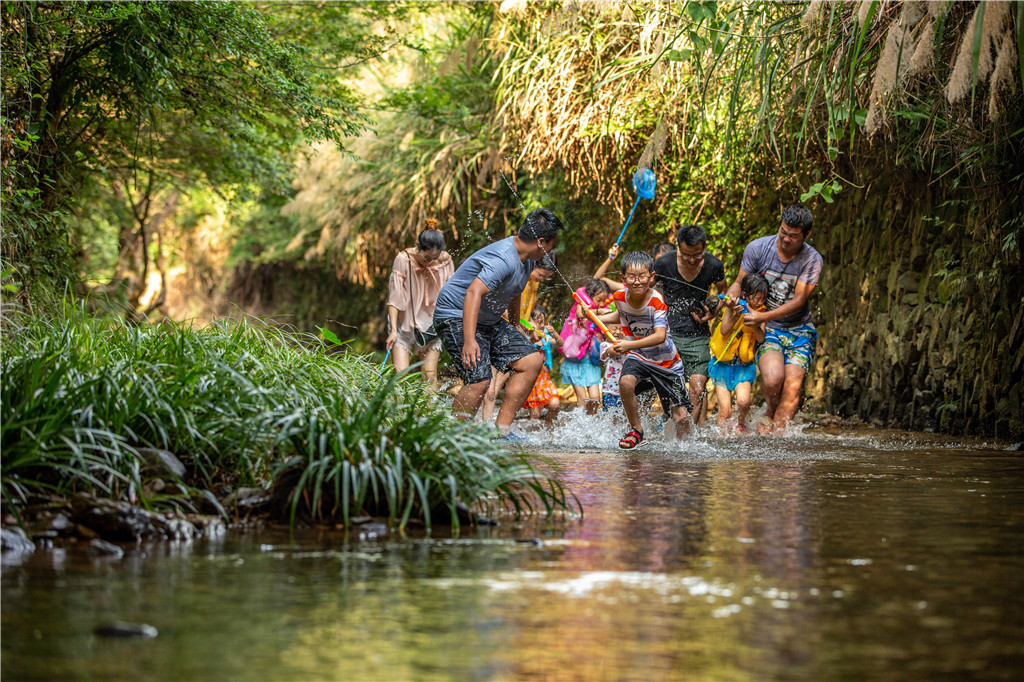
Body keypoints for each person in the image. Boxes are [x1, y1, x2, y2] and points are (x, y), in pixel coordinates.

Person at [432, 208, 564, 438]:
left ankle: (501, 433)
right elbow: (473, 293)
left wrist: (515, 323)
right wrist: (470, 340)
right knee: (480, 379)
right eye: (552, 244)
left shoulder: (528, 260)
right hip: (454, 313)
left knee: (532, 360)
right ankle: (453, 438)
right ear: (541, 242)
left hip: (488, 318)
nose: (551, 249)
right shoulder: (503, 258)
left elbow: (515, 290)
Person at [726, 205, 822, 434]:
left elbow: (799, 300)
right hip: (769, 329)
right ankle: (770, 409)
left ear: (806, 235)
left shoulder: (812, 260)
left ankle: (779, 446)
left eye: (793, 235)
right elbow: (739, 282)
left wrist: (761, 316)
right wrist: (731, 297)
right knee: (771, 379)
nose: (786, 239)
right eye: (783, 232)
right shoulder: (758, 248)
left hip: (800, 329)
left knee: (792, 386)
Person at [599, 251, 693, 449]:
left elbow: (659, 335)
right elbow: (623, 315)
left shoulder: (656, 300)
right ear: (623, 278)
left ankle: (685, 451)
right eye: (631, 277)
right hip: (639, 356)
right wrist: (592, 315)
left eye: (642, 276)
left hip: (666, 362)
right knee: (625, 382)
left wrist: (627, 345)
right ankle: (636, 430)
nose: (637, 281)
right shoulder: (619, 297)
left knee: (681, 418)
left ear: (651, 276)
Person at [653, 223, 728, 425]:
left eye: (698, 255)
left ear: (704, 248)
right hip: (667, 335)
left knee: (697, 388)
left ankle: (688, 439)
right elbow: (644, 291)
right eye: (687, 255)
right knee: (671, 390)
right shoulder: (664, 263)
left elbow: (723, 292)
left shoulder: (714, 264)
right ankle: (673, 429)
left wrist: (714, 312)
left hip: (698, 336)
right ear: (678, 247)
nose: (693, 260)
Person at [480, 253, 558, 422]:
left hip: (513, 336)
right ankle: (482, 426)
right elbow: (502, 306)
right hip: (497, 332)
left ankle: (494, 427)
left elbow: (524, 313)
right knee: (489, 388)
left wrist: (528, 326)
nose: (542, 279)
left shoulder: (533, 283)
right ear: (533, 266)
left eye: (546, 277)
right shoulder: (516, 276)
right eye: (541, 275)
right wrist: (521, 325)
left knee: (494, 388)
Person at [385, 219, 454, 384]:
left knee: (429, 377)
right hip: (403, 325)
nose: (429, 261)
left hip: (431, 326)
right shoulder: (403, 260)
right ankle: (401, 410)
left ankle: (431, 410)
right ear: (417, 246)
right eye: (426, 257)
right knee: (400, 376)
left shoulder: (445, 261)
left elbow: (452, 293)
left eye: (434, 257)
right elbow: (394, 298)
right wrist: (393, 330)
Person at [708, 273, 769, 432]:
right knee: (725, 411)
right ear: (744, 295)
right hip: (723, 366)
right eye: (757, 298)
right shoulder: (732, 307)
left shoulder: (761, 313)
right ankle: (721, 440)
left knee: (743, 403)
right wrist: (735, 314)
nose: (760, 302)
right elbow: (724, 330)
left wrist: (755, 324)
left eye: (763, 298)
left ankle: (740, 426)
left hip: (744, 366)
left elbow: (761, 339)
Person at [559, 278, 612, 415]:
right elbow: (580, 314)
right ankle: (580, 430)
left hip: (590, 360)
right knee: (582, 401)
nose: (601, 303)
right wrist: (599, 312)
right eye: (598, 299)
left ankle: (589, 426)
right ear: (590, 295)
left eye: (603, 301)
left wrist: (601, 311)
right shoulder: (581, 304)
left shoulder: (604, 309)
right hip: (575, 360)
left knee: (595, 399)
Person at [523, 304, 562, 427]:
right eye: (538, 322)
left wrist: (554, 333)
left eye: (543, 322)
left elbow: (560, 344)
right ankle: (533, 439)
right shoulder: (526, 336)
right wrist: (532, 335)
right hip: (532, 379)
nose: (541, 325)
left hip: (544, 379)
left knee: (555, 404)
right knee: (535, 415)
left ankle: (548, 426)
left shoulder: (545, 337)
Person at [594, 241, 680, 293]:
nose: (664, 267)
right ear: (653, 262)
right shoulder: (642, 283)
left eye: (668, 262)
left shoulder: (683, 281)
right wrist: (610, 259)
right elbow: (598, 278)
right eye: (660, 263)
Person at [599, 324, 626, 420]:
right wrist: (629, 343)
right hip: (610, 391)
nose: (618, 332)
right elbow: (616, 351)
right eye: (614, 329)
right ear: (605, 331)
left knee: (625, 418)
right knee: (611, 418)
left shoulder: (628, 345)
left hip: (625, 390)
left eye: (621, 329)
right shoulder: (605, 345)